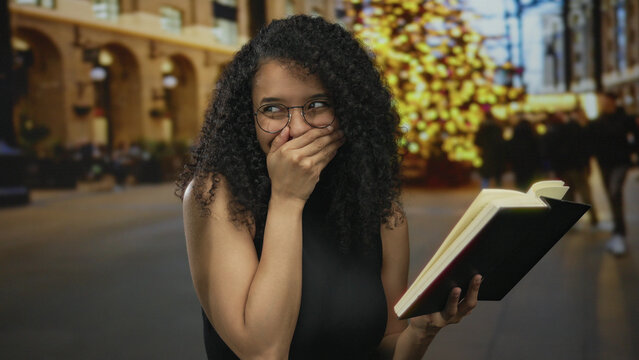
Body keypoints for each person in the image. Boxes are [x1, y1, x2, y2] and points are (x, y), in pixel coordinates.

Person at [176, 15, 481, 359]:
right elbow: (264, 352)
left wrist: (423, 330)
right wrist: (288, 198)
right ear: (248, 117)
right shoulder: (216, 194)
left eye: (317, 105)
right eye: (272, 109)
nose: (297, 129)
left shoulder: (380, 208)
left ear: (349, 109)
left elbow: (388, 345)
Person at [589, 92, 639, 256]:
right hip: (604, 164)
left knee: (614, 191)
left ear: (612, 102)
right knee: (612, 196)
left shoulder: (625, 119)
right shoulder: (597, 122)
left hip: (621, 163)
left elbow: (635, 138)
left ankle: (619, 233)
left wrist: (633, 155)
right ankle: (618, 231)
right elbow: (591, 141)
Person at [474, 114, 505, 188]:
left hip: (485, 154)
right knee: (497, 174)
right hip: (496, 155)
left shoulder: (482, 128)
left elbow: (477, 142)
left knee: (486, 174)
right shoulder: (497, 128)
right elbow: (501, 142)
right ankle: (498, 188)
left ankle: (485, 189)